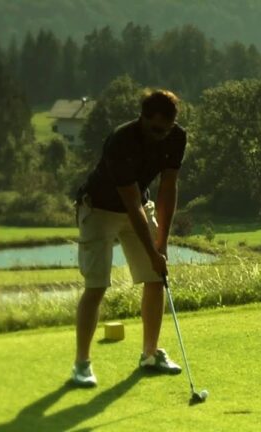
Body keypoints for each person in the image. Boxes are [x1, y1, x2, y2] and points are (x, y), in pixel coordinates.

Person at [71, 90, 187, 387]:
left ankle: (150, 354)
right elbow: (131, 204)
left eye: (167, 129)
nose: (162, 135)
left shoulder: (176, 137)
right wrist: (152, 252)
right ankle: (82, 365)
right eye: (156, 129)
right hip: (99, 208)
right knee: (96, 285)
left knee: (155, 278)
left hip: (139, 206)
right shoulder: (121, 140)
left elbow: (168, 189)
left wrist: (162, 244)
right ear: (142, 118)